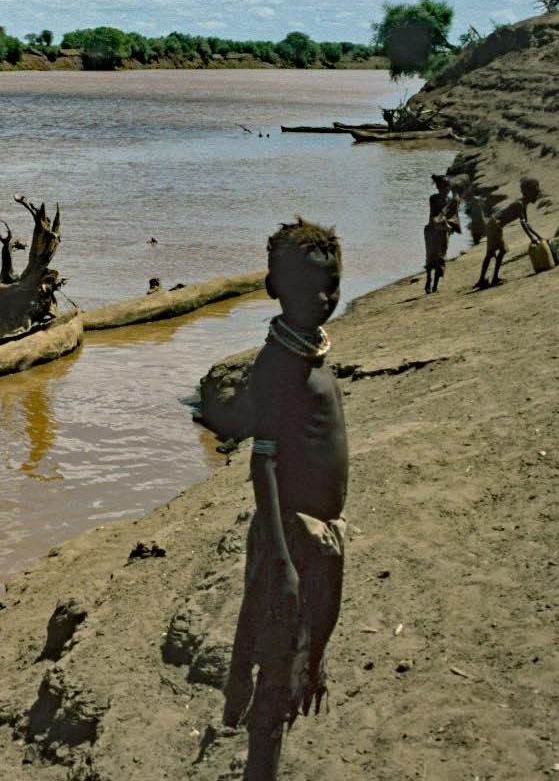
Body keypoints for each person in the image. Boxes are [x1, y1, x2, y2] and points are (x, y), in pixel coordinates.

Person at [222, 218, 349, 781]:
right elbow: (262, 460)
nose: (321, 299)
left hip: (313, 538)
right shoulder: (280, 365)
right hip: (290, 541)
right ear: (275, 288)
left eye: (332, 285)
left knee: (301, 660)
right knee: (275, 676)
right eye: (306, 288)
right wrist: (279, 560)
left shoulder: (311, 356)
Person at [475, 176, 543, 289]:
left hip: (495, 225)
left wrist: (538, 236)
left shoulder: (522, 204)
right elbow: (523, 223)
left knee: (494, 253)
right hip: (495, 225)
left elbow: (526, 223)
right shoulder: (520, 204)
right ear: (528, 193)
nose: (537, 195)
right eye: (535, 192)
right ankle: (489, 279)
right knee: (498, 251)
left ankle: (485, 279)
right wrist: (532, 238)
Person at [422, 173, 458, 294]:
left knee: (441, 258)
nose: (447, 189)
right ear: (438, 187)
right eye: (444, 187)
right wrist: (443, 224)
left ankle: (435, 285)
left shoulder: (452, 201)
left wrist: (450, 226)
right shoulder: (433, 199)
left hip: (443, 232)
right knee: (430, 257)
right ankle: (428, 280)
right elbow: (434, 216)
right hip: (432, 230)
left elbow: (454, 217)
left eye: (448, 187)